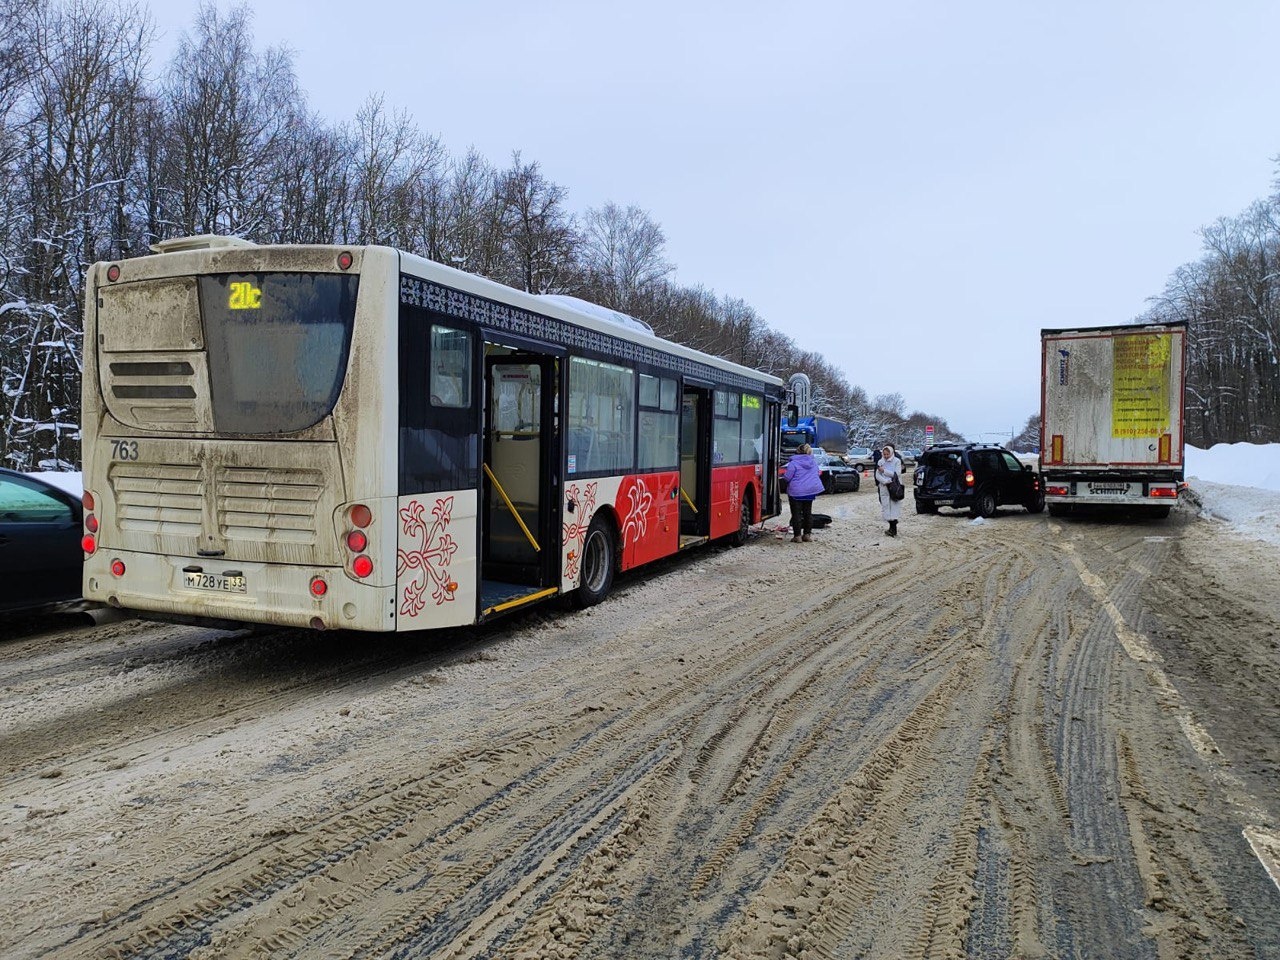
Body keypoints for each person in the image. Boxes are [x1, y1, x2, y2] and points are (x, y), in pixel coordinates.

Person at [782, 442, 823, 542]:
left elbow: (787, 477)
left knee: (796, 514)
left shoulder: (793, 463)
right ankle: (807, 535)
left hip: (796, 492)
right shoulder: (813, 462)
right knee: (807, 513)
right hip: (810, 491)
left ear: (797, 451)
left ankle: (797, 536)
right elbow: (817, 473)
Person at [875, 443, 904, 537]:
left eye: (888, 454)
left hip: (894, 487)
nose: (886, 456)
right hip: (884, 487)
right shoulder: (880, 461)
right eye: (884, 454)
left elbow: (897, 474)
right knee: (886, 507)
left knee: (894, 506)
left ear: (891, 453)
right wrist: (884, 481)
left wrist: (885, 471)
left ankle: (893, 528)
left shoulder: (897, 461)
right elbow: (877, 475)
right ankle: (891, 527)